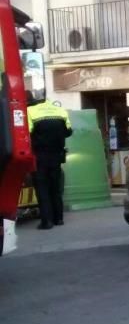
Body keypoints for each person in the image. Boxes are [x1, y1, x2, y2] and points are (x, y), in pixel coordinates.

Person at [26, 94, 73, 230]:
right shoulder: (60, 110)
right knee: (55, 187)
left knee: (42, 188)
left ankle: (46, 222)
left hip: (40, 156)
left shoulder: (30, 111)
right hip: (57, 155)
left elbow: (27, 133)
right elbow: (69, 132)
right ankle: (58, 219)